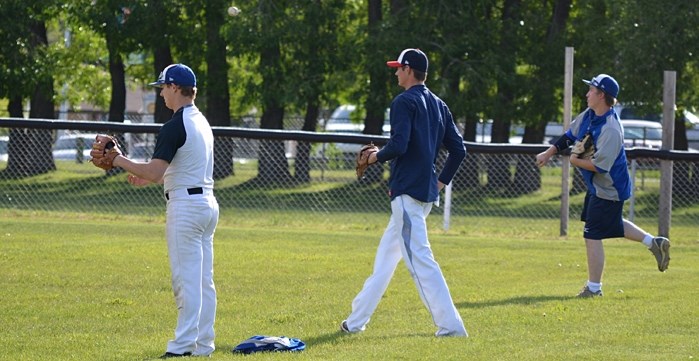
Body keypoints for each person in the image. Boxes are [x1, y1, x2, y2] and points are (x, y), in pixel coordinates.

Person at [340, 48, 468, 337]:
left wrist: (373, 158)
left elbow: (399, 145)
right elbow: (459, 150)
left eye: (399, 68)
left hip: (407, 193)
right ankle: (355, 321)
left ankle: (451, 326)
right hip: (423, 193)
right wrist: (440, 182)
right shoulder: (439, 104)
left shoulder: (403, 102)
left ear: (409, 70)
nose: (396, 72)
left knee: (420, 260)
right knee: (385, 261)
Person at [112, 63, 220, 358]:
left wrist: (119, 160)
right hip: (207, 204)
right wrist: (143, 176)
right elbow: (167, 171)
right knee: (203, 282)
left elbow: (156, 170)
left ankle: (182, 347)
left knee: (186, 281)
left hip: (186, 208)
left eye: (163, 88)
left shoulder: (175, 124)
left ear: (175, 87)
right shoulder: (201, 120)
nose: (161, 94)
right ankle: (203, 345)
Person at [536, 73, 671, 298]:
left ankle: (594, 288)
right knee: (611, 224)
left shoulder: (610, 129)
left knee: (592, 233)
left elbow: (600, 167)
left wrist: (575, 160)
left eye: (591, 90)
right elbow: (570, 135)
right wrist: (549, 153)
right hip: (598, 187)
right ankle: (653, 243)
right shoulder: (589, 115)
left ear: (602, 96)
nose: (587, 93)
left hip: (609, 187)